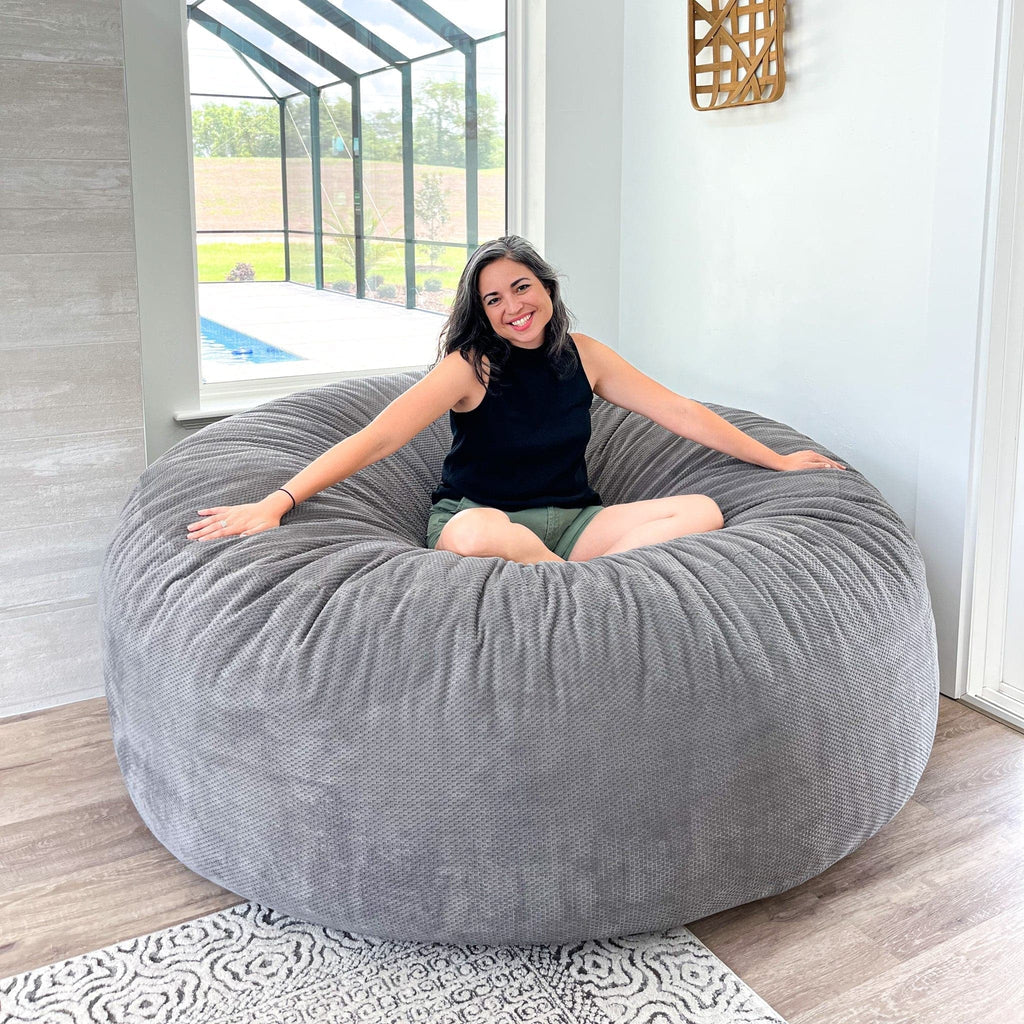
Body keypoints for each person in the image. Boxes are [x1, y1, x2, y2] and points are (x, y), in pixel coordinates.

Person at [187, 235, 845, 561]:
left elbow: (680, 412)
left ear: (548, 289)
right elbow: (379, 437)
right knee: (476, 533)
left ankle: (565, 582)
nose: (513, 307)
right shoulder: (468, 367)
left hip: (575, 523)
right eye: (493, 299)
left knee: (702, 509)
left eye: (522, 287)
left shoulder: (586, 357)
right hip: (483, 520)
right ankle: (577, 595)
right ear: (482, 313)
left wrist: (779, 462)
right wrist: (277, 502)